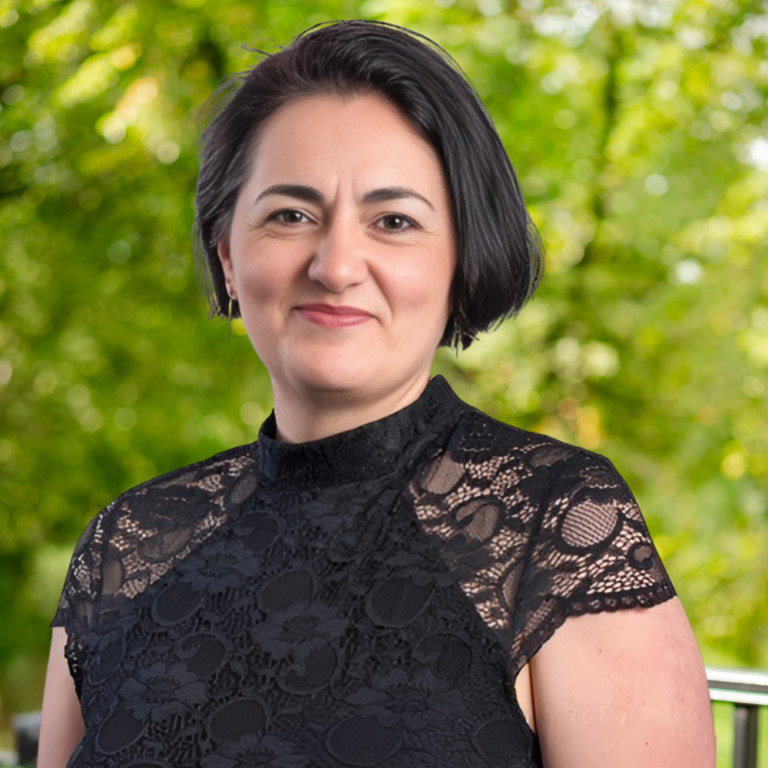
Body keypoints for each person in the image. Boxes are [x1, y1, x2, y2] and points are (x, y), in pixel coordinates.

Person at [39, 20, 716, 768]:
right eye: (290, 215)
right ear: (228, 256)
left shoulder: (558, 526)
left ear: (460, 259)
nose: (336, 266)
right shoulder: (124, 547)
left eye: (394, 221)